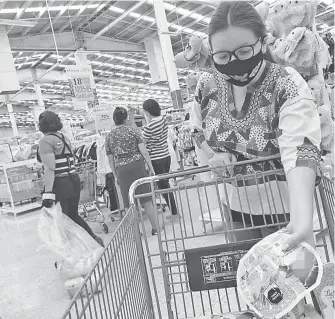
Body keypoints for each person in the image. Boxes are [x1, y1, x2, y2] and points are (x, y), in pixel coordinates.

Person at [190, 1, 321, 253]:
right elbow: (196, 129)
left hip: (287, 209)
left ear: (262, 42)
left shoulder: (285, 83)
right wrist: (213, 153)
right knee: (250, 279)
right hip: (235, 206)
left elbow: (301, 147)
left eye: (243, 52)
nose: (233, 63)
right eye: (222, 56)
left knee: (297, 281)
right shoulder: (206, 85)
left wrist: (303, 218)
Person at [37, 111, 104, 247]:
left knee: (63, 219)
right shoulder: (64, 138)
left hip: (61, 182)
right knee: (72, 215)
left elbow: (50, 168)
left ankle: (74, 250)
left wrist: (47, 194)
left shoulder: (45, 141)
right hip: (73, 179)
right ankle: (93, 239)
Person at [105, 107, 159, 235]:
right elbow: (144, 152)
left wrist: (115, 174)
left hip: (122, 170)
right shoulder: (133, 131)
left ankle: (136, 232)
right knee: (146, 199)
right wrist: (151, 169)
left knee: (129, 202)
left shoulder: (109, 136)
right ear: (125, 119)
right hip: (137, 166)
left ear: (114, 119)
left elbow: (110, 160)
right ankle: (156, 229)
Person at [142, 99, 180, 221]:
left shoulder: (150, 126)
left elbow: (142, 141)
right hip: (165, 155)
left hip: (156, 158)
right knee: (165, 184)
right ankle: (174, 212)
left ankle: (175, 214)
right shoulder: (163, 119)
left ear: (147, 112)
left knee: (164, 186)